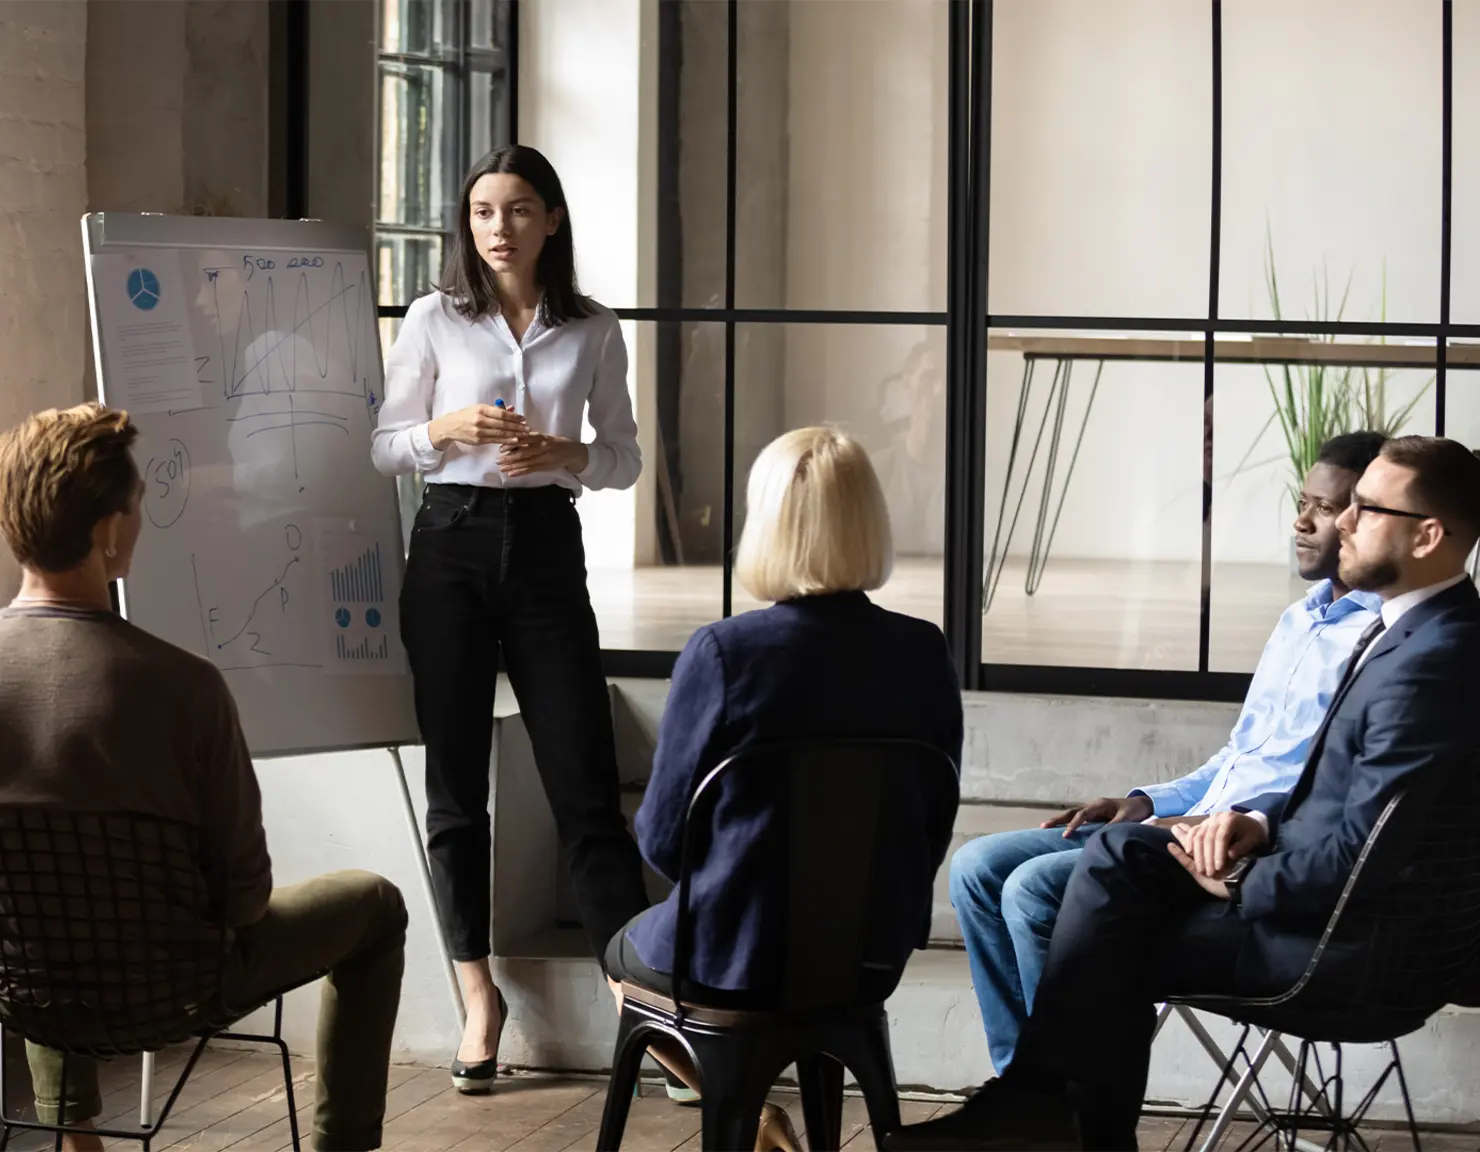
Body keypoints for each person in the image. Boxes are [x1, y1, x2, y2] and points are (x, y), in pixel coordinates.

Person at [888, 436, 1480, 1151]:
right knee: (1115, 858)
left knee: (1083, 909)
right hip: (1301, 889)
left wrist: (1238, 875)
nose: (1343, 522)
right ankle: (1046, 1106)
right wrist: (1254, 828)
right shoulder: (1412, 638)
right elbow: (1338, 803)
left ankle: (1054, 1114)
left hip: (1335, 949)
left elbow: (1363, 857)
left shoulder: (1430, 663)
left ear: (1428, 535)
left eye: (1364, 507)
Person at [0, 403, 409, 1152]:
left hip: (21, 987)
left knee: (40, 896)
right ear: (110, 532)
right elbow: (242, 897)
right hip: (173, 991)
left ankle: (76, 1136)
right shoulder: (184, 687)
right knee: (376, 907)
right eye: (137, 506)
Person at [948, 431, 1386, 1075]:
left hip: (1225, 854)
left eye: (1325, 507)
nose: (1302, 519)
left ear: (1361, 520)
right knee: (977, 866)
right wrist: (1146, 800)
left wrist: (1204, 826)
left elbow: (1317, 796)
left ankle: (1064, 1099)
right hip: (1174, 825)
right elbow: (1238, 757)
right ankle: (1027, 1087)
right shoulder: (1299, 622)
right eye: (1303, 500)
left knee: (1033, 889)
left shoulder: (1378, 641)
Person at [371, 144, 648, 1092]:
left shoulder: (594, 330)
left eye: (519, 210)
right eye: (484, 211)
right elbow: (381, 447)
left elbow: (624, 461)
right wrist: (441, 432)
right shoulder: (434, 318)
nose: (499, 228)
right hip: (445, 545)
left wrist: (568, 451)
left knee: (584, 782)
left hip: (542, 546)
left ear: (551, 221)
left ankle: (635, 1003)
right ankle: (477, 997)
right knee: (456, 787)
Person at [608, 428, 964, 1150]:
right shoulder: (923, 651)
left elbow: (664, 842)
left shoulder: (723, 653)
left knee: (620, 960)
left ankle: (748, 1113)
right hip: (869, 956)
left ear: (764, 523)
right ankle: (770, 1120)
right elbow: (933, 822)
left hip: (735, 955)